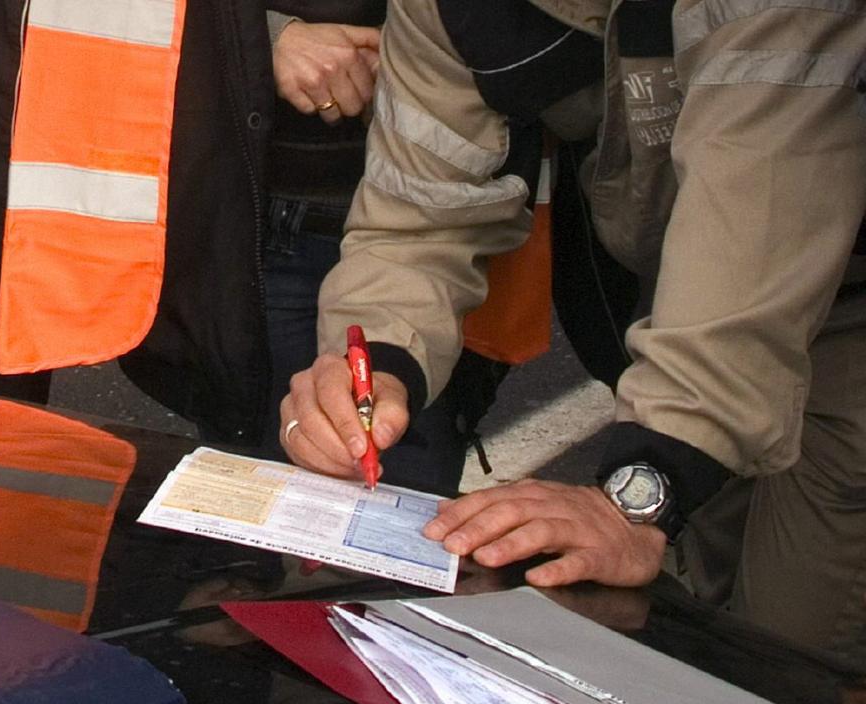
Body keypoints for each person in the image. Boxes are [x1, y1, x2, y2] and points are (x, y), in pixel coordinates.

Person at [280, 0, 866, 655]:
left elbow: (762, 209)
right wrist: (374, 360)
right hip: (687, 311)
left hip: (839, 302)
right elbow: (416, 220)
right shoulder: (443, 11)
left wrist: (643, 489)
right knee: (690, 628)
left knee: (790, 661)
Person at [0, 0, 507, 497]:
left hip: (451, 201)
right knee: (280, 548)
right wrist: (260, 41)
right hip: (265, 216)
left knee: (390, 552)